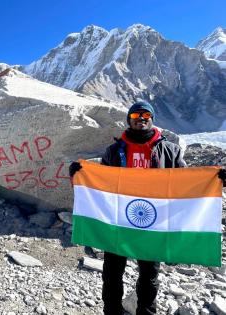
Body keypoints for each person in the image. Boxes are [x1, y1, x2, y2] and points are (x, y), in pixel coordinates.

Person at [69, 101, 225, 315]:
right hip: (118, 222)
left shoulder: (170, 150)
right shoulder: (114, 151)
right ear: (129, 121)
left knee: (149, 275)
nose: (141, 120)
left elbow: (186, 181)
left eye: (145, 116)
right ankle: (112, 311)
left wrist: (214, 179)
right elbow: (99, 182)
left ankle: (147, 312)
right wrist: (79, 172)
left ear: (152, 119)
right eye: (135, 117)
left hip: (154, 223)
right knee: (112, 273)